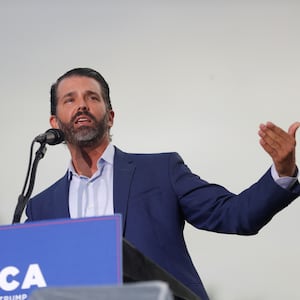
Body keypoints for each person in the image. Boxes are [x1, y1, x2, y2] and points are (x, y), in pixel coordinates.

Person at [25, 67, 300, 300]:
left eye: (92, 97)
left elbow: (235, 215)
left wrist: (283, 171)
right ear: (55, 123)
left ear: (110, 117)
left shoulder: (160, 172)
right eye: (70, 100)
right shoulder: (41, 208)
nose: (82, 105)